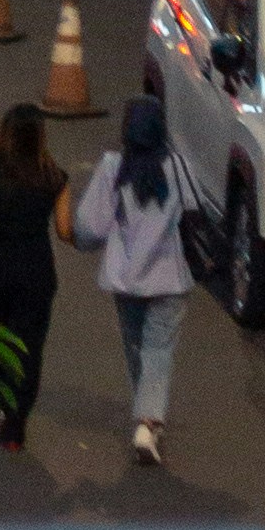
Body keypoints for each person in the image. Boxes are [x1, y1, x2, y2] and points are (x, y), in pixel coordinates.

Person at [68, 87, 196, 469]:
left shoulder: (112, 167)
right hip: (168, 278)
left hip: (124, 279)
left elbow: (91, 225)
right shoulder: (176, 166)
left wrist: (79, 240)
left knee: (136, 347)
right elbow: (195, 212)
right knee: (159, 349)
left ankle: (147, 419)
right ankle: (147, 423)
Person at [0, 101, 70, 454]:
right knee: (30, 346)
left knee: (1, 332)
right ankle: (15, 423)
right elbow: (65, 229)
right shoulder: (53, 177)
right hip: (35, 271)